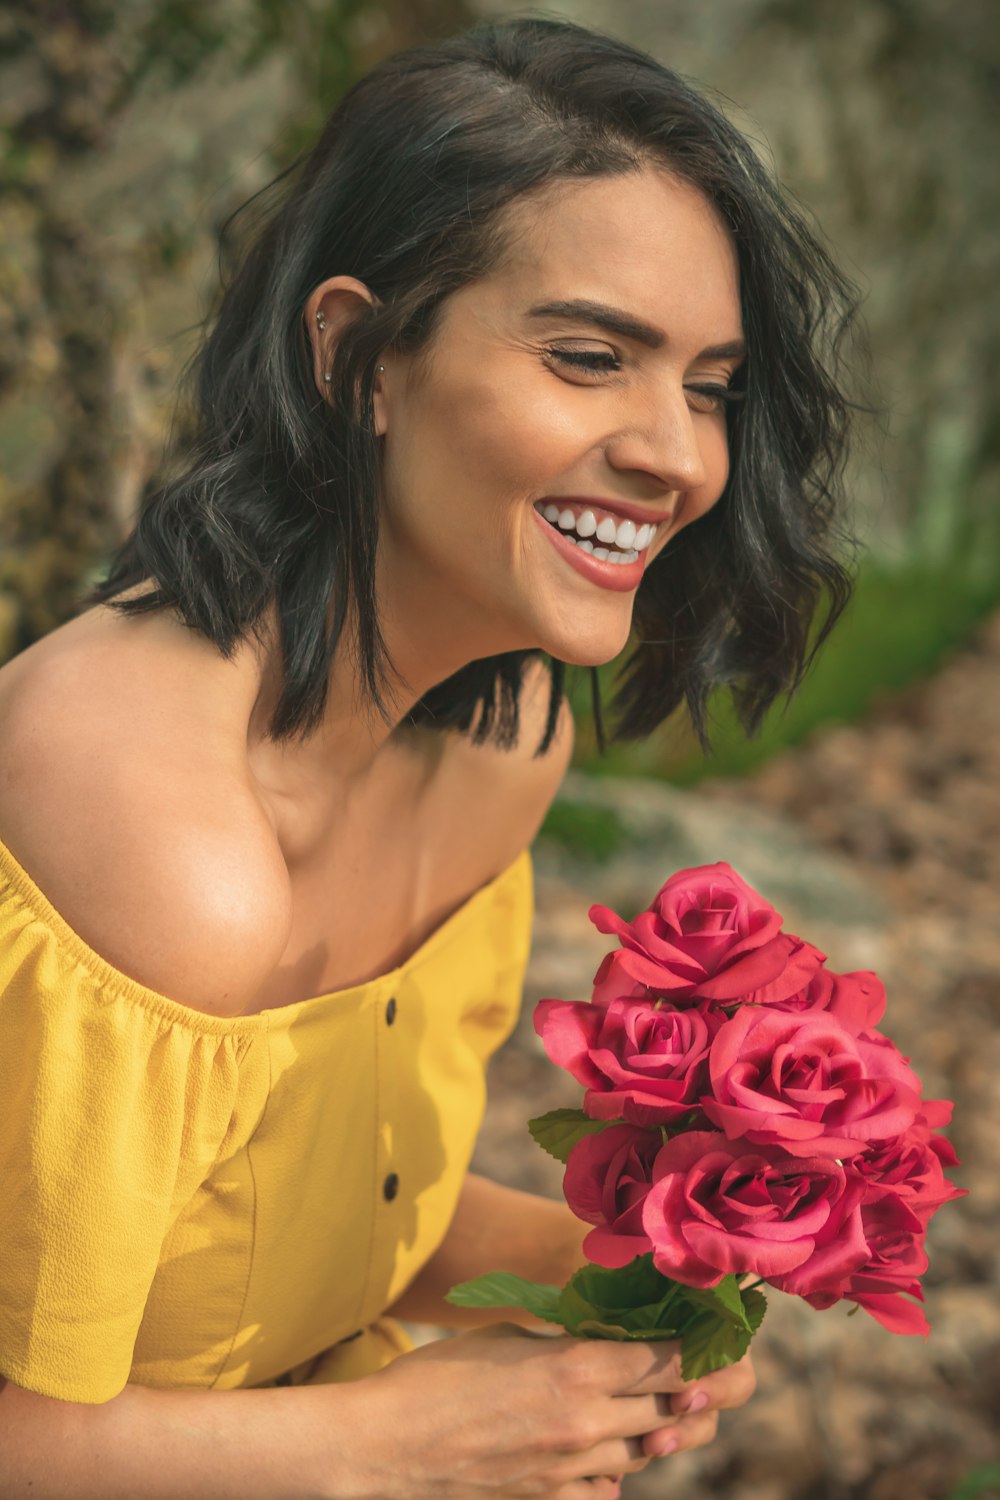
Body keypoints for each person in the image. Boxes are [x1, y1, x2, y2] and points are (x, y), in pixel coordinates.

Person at [0, 17, 858, 1499]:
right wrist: (405, 1440)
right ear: (358, 358)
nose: (679, 456)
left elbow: (267, 1215)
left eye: (708, 385)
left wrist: (650, 1269)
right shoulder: (154, 838)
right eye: (590, 358)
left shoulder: (498, 745)